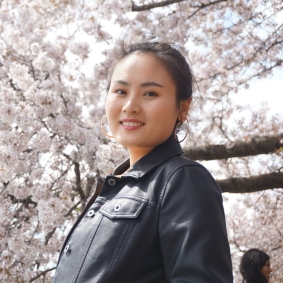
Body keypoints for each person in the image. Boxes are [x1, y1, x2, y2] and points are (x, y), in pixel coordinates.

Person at [52, 38, 233, 282]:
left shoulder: (183, 179)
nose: (130, 106)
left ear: (183, 108)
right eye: (120, 91)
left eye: (150, 93)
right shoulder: (111, 190)